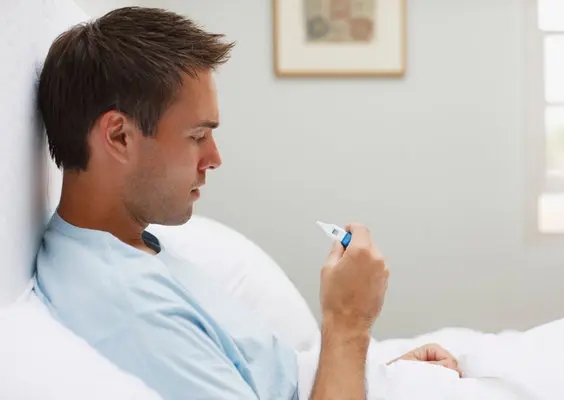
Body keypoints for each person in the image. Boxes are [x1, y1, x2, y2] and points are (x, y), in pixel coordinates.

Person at [33, 6, 460, 399]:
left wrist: (381, 375)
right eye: (198, 137)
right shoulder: (125, 306)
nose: (214, 159)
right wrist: (348, 322)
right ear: (119, 137)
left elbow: (269, 377)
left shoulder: (128, 245)